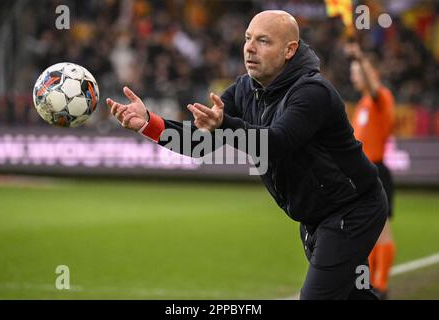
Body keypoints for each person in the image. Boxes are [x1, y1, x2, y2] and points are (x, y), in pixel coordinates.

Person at [107, 10, 388, 300]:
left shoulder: (313, 92)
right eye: (247, 39)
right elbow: (199, 144)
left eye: (263, 41)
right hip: (316, 216)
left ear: (289, 50)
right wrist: (149, 124)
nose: (250, 48)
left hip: (352, 210)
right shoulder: (245, 88)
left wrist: (226, 124)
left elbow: (276, 142)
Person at [346, 42, 396, 300]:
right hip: (364, 173)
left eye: (357, 71)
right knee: (371, 232)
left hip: (377, 171)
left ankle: (382, 284)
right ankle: (374, 284)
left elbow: (374, 86)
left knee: (382, 229)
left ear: (369, 72)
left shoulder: (380, 98)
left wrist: (360, 57)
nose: (353, 76)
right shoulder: (364, 103)